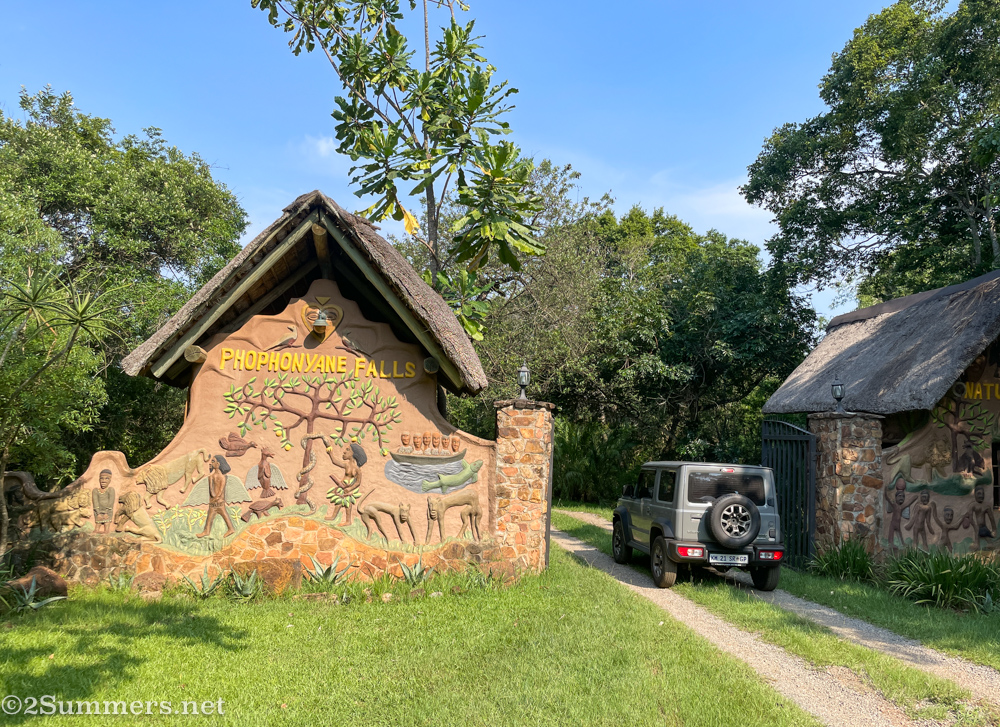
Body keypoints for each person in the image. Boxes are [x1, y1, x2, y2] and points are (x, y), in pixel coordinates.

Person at [197, 454, 236, 539]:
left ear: (218, 464)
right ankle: (206, 531)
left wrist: (217, 498)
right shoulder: (211, 477)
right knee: (210, 517)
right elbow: (211, 489)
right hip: (213, 503)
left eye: (213, 461)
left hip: (219, 502)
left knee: (224, 515)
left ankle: (231, 529)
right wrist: (213, 497)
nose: (211, 463)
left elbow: (221, 490)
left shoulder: (223, 477)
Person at [91, 469, 115, 534]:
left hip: (108, 511)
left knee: (107, 526)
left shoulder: (111, 490)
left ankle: (106, 532)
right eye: (102, 478)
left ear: (110, 480)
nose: (103, 481)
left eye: (106, 478)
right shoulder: (95, 491)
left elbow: (111, 502)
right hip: (98, 511)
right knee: (96, 528)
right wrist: (98, 513)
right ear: (99, 480)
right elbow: (95, 502)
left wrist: (106, 512)